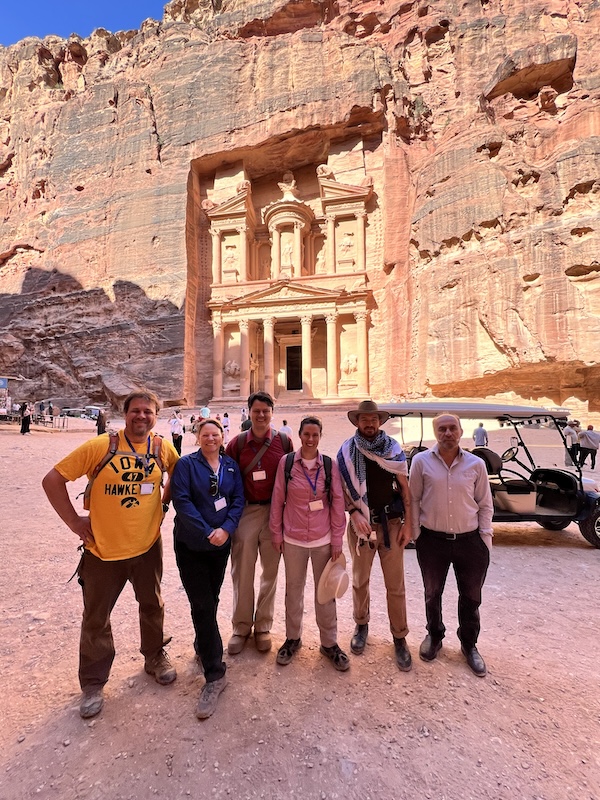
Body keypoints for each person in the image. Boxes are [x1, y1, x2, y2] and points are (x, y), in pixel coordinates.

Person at [42, 389, 180, 719]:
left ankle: (154, 656)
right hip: (102, 550)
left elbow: (179, 472)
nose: (142, 416)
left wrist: (164, 503)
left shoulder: (161, 447)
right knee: (96, 617)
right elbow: (52, 480)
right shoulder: (102, 446)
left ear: (156, 416)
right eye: (136, 411)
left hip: (146, 546)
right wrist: (75, 521)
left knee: (152, 604)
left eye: (148, 412)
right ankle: (93, 682)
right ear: (125, 412)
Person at [171, 418, 244, 719]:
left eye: (215, 434)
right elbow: (182, 501)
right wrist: (207, 530)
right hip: (192, 544)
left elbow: (238, 499)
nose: (211, 439)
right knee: (201, 604)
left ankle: (203, 644)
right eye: (205, 435)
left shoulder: (230, 466)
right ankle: (215, 674)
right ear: (197, 437)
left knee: (210, 601)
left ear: (222, 436)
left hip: (220, 545)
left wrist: (226, 529)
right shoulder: (186, 465)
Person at [409, 413, 493, 677]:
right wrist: (416, 535)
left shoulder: (476, 464)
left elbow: (485, 503)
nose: (448, 433)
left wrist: (485, 539)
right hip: (432, 540)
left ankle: (469, 645)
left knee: (471, 597)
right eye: (442, 429)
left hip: (470, 540)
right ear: (436, 432)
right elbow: (413, 499)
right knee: (432, 593)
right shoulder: (420, 462)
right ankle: (434, 635)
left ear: (460, 431)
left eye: (452, 428)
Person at [337, 400, 413, 672]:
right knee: (360, 580)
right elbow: (342, 491)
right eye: (364, 420)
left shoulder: (392, 449)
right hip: (361, 525)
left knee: (396, 584)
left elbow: (405, 489)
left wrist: (408, 524)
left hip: (391, 523)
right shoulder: (346, 451)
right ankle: (361, 625)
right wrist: (353, 513)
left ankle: (400, 636)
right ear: (357, 422)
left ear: (379, 421)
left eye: (373, 419)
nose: (369, 424)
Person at [270, 416, 349, 671]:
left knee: (325, 593)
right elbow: (277, 498)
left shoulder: (329, 465)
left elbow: (338, 503)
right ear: (300, 435)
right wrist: (276, 533)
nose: (311, 439)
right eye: (307, 434)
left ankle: (329, 643)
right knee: (293, 591)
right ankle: (293, 638)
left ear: (320, 436)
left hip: (323, 538)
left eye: (315, 435)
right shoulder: (287, 463)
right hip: (293, 538)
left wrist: (337, 538)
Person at [224, 391, 293, 654]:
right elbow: (227, 477)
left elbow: (292, 476)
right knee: (242, 571)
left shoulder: (284, 442)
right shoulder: (238, 443)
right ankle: (241, 627)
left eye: (266, 410)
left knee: (271, 571)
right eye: (257, 411)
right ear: (249, 412)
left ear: (272, 412)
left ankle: (263, 625)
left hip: (275, 513)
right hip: (246, 512)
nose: (261, 415)